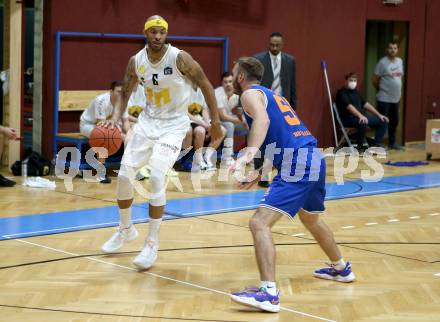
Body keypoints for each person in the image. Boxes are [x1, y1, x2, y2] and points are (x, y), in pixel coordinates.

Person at [229, 57, 355, 313]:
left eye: (233, 74)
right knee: (311, 220)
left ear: (241, 76)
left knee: (259, 223)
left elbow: (263, 124)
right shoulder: (274, 96)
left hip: (298, 163)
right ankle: (341, 268)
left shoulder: (249, 95)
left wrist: (248, 154)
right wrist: (260, 172)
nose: (232, 78)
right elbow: (283, 139)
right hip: (311, 158)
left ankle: (268, 294)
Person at [100, 15, 222, 270]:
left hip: (173, 125)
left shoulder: (180, 58)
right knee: (123, 176)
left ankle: (152, 242)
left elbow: (207, 85)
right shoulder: (137, 61)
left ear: (166, 35)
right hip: (146, 123)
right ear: (146, 33)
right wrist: (114, 114)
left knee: (156, 176)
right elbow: (126, 88)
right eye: (153, 32)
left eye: (161, 32)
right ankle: (125, 229)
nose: (157, 36)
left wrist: (217, 122)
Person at [254, 32, 296, 187]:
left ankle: (280, 174)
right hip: (263, 104)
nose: (274, 48)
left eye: (277, 45)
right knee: (261, 139)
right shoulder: (258, 59)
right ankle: (260, 175)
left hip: (282, 106)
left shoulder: (290, 61)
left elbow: (292, 86)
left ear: (282, 45)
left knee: (280, 141)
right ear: (268, 43)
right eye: (272, 45)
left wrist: (293, 109)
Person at [79, 80, 123, 183]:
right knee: (105, 136)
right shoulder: (101, 100)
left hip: (106, 126)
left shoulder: (122, 101)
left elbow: (122, 119)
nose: (120, 94)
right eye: (118, 91)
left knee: (129, 134)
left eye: (122, 92)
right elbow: (101, 124)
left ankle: (131, 168)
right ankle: (100, 173)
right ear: (111, 91)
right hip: (88, 125)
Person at [336, 72, 388, 152]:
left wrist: (379, 115)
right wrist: (360, 116)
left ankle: (376, 144)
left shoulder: (356, 92)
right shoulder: (342, 93)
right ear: (346, 81)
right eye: (351, 80)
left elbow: (365, 104)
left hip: (359, 117)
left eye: (355, 80)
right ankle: (360, 148)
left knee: (383, 121)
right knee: (363, 122)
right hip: (347, 119)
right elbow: (349, 106)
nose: (353, 82)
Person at [183, 85, 226, 171]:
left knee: (222, 130)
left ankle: (206, 157)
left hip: (201, 120)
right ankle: (198, 160)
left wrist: (207, 122)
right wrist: (204, 124)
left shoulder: (200, 90)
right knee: (201, 131)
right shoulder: (184, 89)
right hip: (188, 120)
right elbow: (185, 112)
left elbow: (204, 110)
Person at [372, 41, 404, 150]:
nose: (393, 50)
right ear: (387, 49)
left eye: (395, 48)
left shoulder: (400, 61)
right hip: (384, 98)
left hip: (396, 98)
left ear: (397, 50)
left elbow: (399, 78)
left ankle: (392, 143)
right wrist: (382, 89)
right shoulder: (382, 62)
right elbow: (375, 79)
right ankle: (377, 143)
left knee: (394, 121)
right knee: (382, 120)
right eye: (390, 48)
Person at [214, 72, 248, 166]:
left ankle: (250, 156)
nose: (228, 84)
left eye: (230, 81)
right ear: (222, 83)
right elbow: (223, 116)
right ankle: (226, 158)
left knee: (250, 126)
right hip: (215, 121)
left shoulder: (238, 94)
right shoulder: (217, 93)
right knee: (229, 125)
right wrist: (242, 120)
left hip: (229, 121)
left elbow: (243, 112)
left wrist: (245, 120)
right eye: (225, 82)